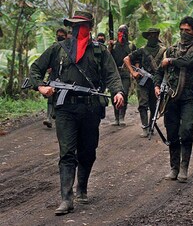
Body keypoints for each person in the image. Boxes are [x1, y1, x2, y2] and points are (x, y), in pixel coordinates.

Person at [29, 11, 124, 215]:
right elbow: (35, 69)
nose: (77, 29)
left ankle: (82, 187)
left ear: (89, 27)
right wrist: (40, 87)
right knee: (67, 152)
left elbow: (112, 75)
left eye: (81, 26)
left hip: (90, 108)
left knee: (88, 151)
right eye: (74, 25)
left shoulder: (99, 51)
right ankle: (66, 198)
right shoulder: (58, 48)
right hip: (65, 108)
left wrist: (118, 92)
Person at [153, 16, 193, 183]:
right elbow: (159, 71)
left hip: (189, 98)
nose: (184, 33)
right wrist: (156, 85)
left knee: (187, 130)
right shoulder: (170, 50)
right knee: (172, 133)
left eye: (188, 31)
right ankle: (174, 168)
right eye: (182, 30)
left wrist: (170, 61)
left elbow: (189, 62)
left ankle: (184, 167)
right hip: (171, 99)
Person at [123, 28, 166, 137]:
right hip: (143, 82)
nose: (153, 37)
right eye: (151, 35)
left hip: (157, 82)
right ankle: (145, 127)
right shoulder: (142, 50)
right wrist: (133, 72)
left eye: (155, 35)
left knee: (154, 106)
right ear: (147, 37)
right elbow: (126, 59)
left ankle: (151, 126)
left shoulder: (163, 51)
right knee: (143, 104)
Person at [109, 25, 136, 126]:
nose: (122, 33)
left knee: (123, 93)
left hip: (125, 73)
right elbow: (108, 58)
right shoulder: (114, 45)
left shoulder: (131, 46)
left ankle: (122, 117)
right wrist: (110, 47)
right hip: (115, 74)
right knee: (114, 95)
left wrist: (133, 72)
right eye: (120, 31)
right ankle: (116, 117)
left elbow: (135, 59)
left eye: (124, 31)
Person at [43, 28, 68, 128]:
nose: (60, 37)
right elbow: (47, 59)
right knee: (50, 95)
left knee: (59, 96)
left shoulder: (68, 47)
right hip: (53, 73)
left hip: (64, 75)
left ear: (66, 36)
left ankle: (55, 113)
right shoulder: (53, 47)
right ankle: (48, 118)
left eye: (62, 35)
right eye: (58, 35)